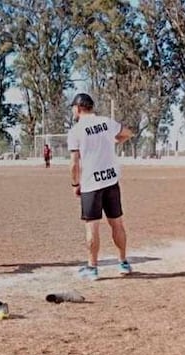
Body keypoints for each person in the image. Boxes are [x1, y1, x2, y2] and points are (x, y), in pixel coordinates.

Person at [68, 93, 133, 281]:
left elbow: (74, 163)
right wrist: (115, 141)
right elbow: (127, 133)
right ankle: (123, 263)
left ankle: (92, 267)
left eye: (73, 107)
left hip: (91, 183)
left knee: (92, 227)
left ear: (79, 108)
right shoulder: (106, 122)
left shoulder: (76, 131)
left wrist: (75, 183)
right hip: (111, 181)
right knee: (117, 223)